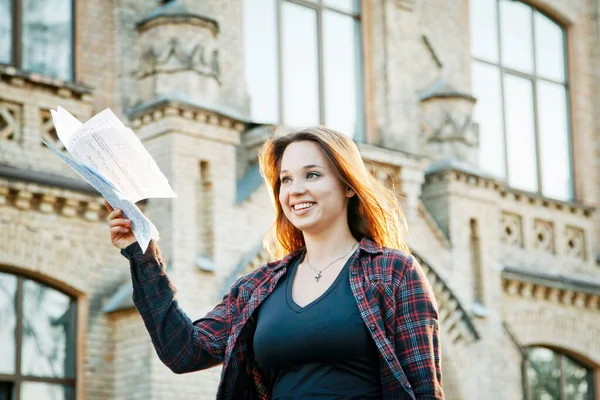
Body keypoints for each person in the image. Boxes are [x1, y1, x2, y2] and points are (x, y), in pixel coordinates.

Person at [106, 126, 444, 400]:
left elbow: (424, 390)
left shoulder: (392, 272)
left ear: (348, 186)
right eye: (286, 179)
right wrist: (142, 252)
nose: (295, 190)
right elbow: (183, 352)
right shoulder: (258, 288)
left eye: (312, 175)